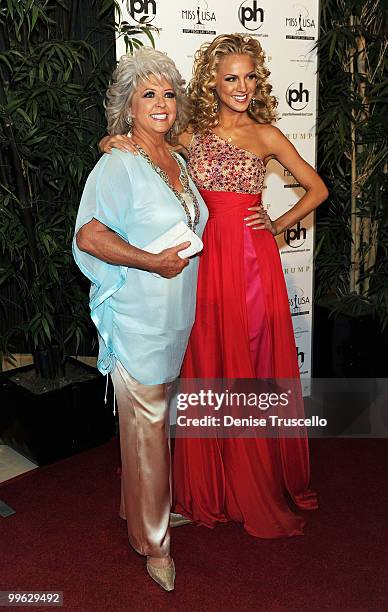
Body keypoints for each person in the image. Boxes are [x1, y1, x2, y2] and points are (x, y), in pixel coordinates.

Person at [100, 34, 328, 539]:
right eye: (230, 78)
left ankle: (254, 475)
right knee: (209, 362)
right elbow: (143, 145)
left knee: (248, 362)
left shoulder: (266, 135)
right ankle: (211, 482)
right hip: (205, 262)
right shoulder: (191, 135)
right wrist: (109, 141)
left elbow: (318, 188)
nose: (241, 87)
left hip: (251, 262)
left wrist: (278, 222)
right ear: (213, 82)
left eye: (249, 77)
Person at [73, 47, 208, 591]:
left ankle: (143, 509)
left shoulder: (175, 157)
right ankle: (154, 544)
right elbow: (90, 235)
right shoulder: (117, 162)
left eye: (168, 93)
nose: (160, 103)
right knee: (148, 424)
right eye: (147, 93)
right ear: (127, 106)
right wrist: (151, 261)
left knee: (147, 425)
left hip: (174, 317)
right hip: (137, 316)